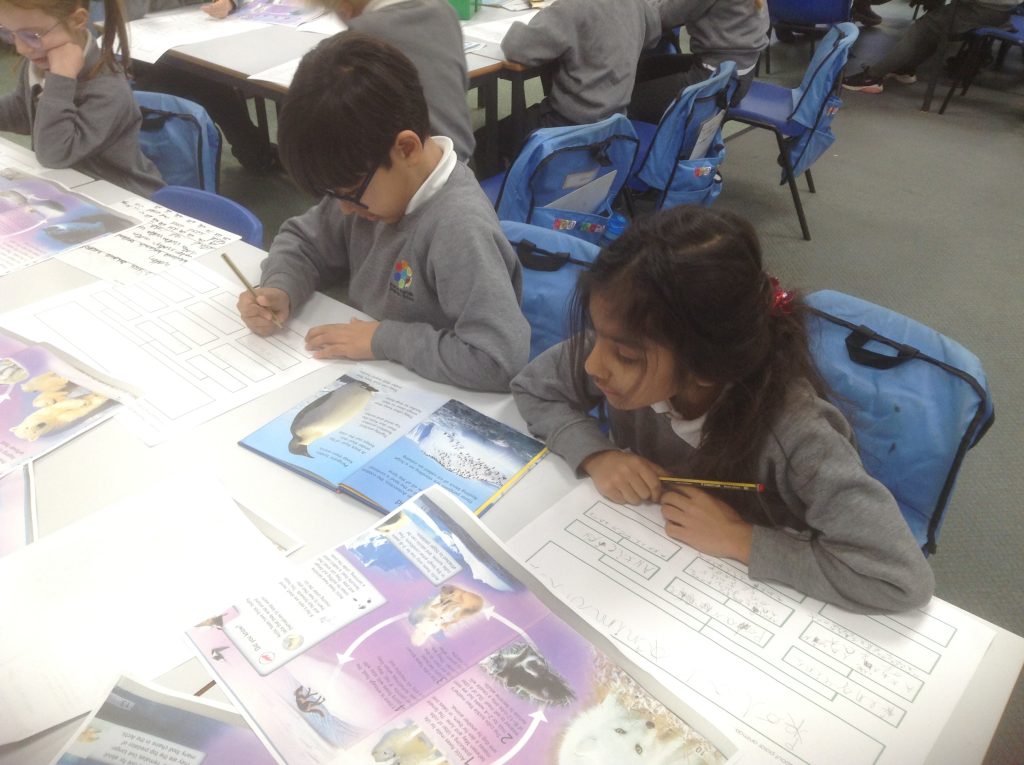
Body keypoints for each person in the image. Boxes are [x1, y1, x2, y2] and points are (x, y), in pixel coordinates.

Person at [510, 206, 935, 614]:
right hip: (648, 560)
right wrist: (597, 454)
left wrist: (742, 539)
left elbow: (900, 578)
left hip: (744, 600)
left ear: (705, 368)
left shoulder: (799, 437)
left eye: (625, 355)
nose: (592, 364)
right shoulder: (630, 334)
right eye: (596, 334)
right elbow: (533, 388)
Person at [237, 32, 530, 393]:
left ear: (406, 149)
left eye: (350, 195)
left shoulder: (458, 227)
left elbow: (498, 360)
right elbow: (304, 241)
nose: (344, 209)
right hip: (375, 375)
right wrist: (280, 286)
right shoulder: (367, 184)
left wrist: (383, 340)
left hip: (432, 394)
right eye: (334, 195)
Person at [0, 0, 164, 197]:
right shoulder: (41, 60)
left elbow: (54, 154)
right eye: (9, 33)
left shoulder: (108, 88)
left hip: (126, 196)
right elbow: (22, 111)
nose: (21, 48)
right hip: (73, 186)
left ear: (77, 20)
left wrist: (60, 79)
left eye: (33, 35)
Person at [127, 0, 280, 173]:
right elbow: (128, 16)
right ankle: (255, 153)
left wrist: (230, 3)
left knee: (215, 87)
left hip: (199, 37)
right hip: (151, 53)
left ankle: (256, 153)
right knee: (211, 89)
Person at [320, 0, 475, 164]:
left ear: (344, 8)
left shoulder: (361, 37)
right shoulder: (443, 9)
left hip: (414, 168)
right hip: (462, 157)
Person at [499, 0, 662, 149]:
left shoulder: (571, 7)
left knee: (494, 133)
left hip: (567, 126)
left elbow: (515, 46)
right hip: (615, 122)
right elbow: (653, 34)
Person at [629, 0, 769, 123]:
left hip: (716, 82)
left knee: (626, 100)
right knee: (642, 70)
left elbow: (664, 14)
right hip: (736, 74)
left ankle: (650, 141)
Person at [842, 0, 1017, 93]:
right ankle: (905, 68)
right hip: (1001, 10)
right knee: (935, 22)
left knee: (926, 28)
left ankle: (872, 77)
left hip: (983, 11)